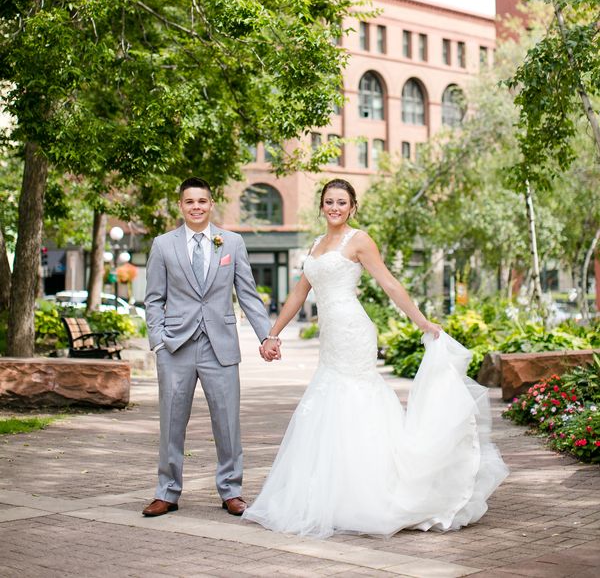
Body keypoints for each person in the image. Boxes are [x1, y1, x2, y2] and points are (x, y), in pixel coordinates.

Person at [244, 178, 508, 538]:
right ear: (321, 206)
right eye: (328, 202)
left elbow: (389, 284)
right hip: (331, 338)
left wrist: (422, 322)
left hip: (353, 331)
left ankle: (372, 493)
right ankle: (337, 495)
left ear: (352, 207)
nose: (334, 207)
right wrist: (272, 334)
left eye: (341, 202)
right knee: (330, 406)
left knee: (356, 399)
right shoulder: (317, 245)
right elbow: (297, 294)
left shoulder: (360, 240)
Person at [142, 177, 276, 518]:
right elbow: (154, 299)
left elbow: (247, 293)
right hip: (176, 347)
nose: (196, 207)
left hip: (221, 346)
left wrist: (267, 336)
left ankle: (231, 491)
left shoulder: (231, 242)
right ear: (181, 205)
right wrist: (158, 339)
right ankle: (167, 492)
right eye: (190, 201)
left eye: (202, 201)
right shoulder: (163, 245)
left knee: (227, 423)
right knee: (171, 422)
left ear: (211, 204)